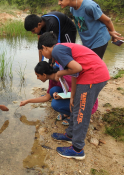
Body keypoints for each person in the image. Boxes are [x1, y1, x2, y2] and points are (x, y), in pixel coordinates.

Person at [38, 32, 110, 160]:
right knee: (75, 106)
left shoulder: (57, 51)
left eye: (41, 52)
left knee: (81, 111)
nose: (43, 56)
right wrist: (72, 96)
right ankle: (70, 135)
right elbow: (75, 73)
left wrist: (60, 73)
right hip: (88, 75)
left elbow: (77, 68)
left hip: (93, 76)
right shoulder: (61, 49)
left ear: (44, 47)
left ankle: (77, 149)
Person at [20, 61, 98, 125]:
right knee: (53, 90)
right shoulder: (52, 80)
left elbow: (81, 94)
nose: (37, 78)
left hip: (87, 104)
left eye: (38, 76)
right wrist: (27, 101)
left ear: (44, 75)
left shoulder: (65, 77)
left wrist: (61, 96)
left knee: (55, 104)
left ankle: (73, 116)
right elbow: (46, 97)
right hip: (74, 98)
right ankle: (68, 112)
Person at [56, 0, 124, 59]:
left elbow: (107, 20)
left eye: (61, 0)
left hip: (98, 40)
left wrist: (112, 31)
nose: (59, 3)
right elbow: (85, 25)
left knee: (94, 65)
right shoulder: (72, 8)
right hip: (87, 42)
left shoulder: (89, 6)